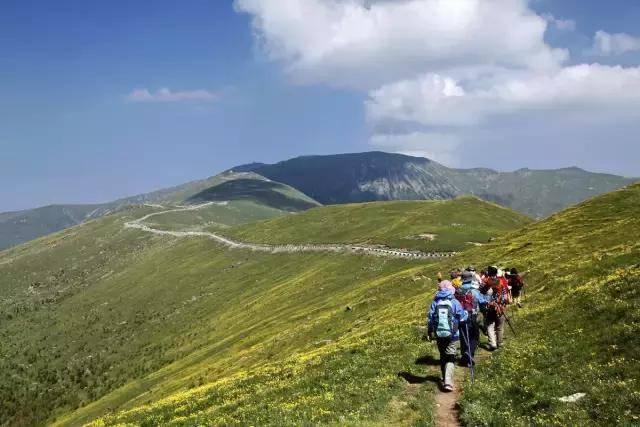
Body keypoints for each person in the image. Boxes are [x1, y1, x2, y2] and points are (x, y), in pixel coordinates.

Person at [427, 280, 468, 392]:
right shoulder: (454, 301)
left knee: (443, 355)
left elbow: (430, 318)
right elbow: (462, 317)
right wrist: (466, 315)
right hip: (453, 334)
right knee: (450, 356)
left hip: (439, 334)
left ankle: (444, 376)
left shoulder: (435, 302)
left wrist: (430, 331)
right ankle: (448, 381)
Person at [456, 271, 485, 365]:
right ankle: (469, 354)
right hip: (473, 315)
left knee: (464, 337)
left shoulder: (458, 291)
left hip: (461, 317)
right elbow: (482, 301)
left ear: (462, 280)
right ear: (470, 279)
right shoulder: (474, 291)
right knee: (475, 337)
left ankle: (464, 357)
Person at [482, 266, 511, 350]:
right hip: (500, 307)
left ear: (489, 273)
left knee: (490, 325)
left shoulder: (486, 282)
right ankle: (500, 343)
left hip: (490, 307)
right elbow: (505, 295)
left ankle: (493, 343)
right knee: (500, 326)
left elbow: (481, 292)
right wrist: (504, 303)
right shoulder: (501, 281)